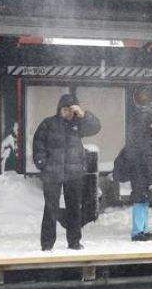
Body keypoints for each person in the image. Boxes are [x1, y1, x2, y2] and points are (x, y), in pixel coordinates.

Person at [32, 93, 101, 251]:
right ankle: (47, 244)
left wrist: (83, 114)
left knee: (74, 208)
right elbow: (38, 143)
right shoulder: (48, 123)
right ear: (59, 109)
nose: (68, 113)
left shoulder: (79, 124)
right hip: (52, 174)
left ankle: (74, 242)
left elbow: (96, 127)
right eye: (65, 110)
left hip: (74, 173)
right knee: (50, 208)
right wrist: (42, 163)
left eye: (71, 110)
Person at [117, 111, 152, 242]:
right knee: (141, 202)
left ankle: (143, 230)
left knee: (143, 201)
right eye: (151, 122)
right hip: (142, 175)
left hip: (138, 175)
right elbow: (149, 162)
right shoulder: (145, 139)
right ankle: (138, 232)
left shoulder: (137, 137)